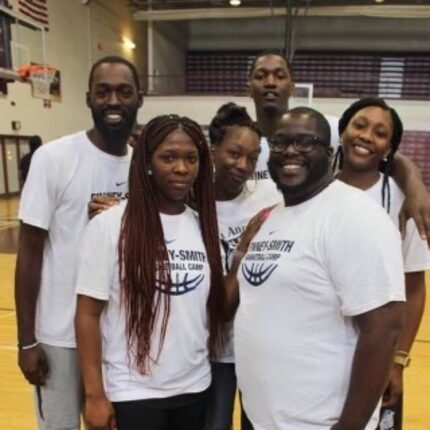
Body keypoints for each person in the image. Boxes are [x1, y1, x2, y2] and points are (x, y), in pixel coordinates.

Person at [227, 106, 405, 429]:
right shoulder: (273, 216)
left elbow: (384, 327)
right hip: (261, 416)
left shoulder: (354, 215)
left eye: (305, 142)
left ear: (330, 152)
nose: (290, 151)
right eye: (280, 143)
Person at [15, 55, 143, 430]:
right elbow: (29, 254)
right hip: (59, 336)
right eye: (103, 92)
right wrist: (26, 341)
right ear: (88, 98)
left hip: (118, 337)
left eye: (124, 91)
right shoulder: (53, 159)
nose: (113, 101)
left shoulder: (143, 168)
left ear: (139, 98)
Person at [75, 114, 225, 430]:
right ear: (147, 162)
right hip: (133, 392)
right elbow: (87, 314)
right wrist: (94, 395)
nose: (181, 168)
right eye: (168, 157)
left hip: (194, 386)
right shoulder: (109, 226)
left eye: (191, 158)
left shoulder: (204, 227)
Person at [247, 50, 430, 243]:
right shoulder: (244, 144)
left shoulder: (321, 129)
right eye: (260, 76)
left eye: (279, 75)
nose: (270, 82)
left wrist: (416, 189)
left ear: (292, 87)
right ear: (248, 88)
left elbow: (391, 157)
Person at [335, 97, 429, 430]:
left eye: (379, 133)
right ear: (342, 131)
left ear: (389, 148)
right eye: (359, 125)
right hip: (323, 353)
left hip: (377, 353)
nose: (365, 137)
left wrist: (398, 362)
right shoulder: (315, 189)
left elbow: (415, 288)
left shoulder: (404, 201)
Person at [205, 102, 281, 430]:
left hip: (258, 348)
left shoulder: (268, 196)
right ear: (212, 151)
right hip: (213, 353)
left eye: (252, 157)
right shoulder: (189, 203)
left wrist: (411, 178)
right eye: (234, 153)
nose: (243, 165)